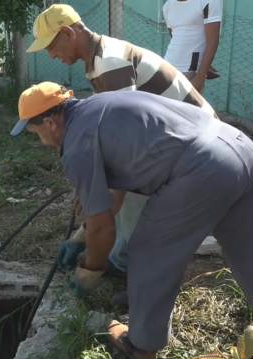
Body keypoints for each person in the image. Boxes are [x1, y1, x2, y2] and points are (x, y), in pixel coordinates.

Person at [10, 81, 253, 359]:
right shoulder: (99, 107)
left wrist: (91, 269)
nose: (40, 140)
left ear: (50, 122)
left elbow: (104, 226)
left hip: (201, 168)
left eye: (35, 132)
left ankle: (140, 346)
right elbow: (113, 194)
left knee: (149, 251)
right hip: (239, 147)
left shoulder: (75, 144)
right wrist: (81, 236)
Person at [25, 4, 221, 304]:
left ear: (67, 33)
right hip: (178, 139)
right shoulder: (99, 59)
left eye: (51, 46)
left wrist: (94, 216)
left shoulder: (110, 64)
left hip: (196, 146)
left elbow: (125, 144)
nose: (52, 55)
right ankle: (122, 259)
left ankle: (148, 286)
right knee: (119, 191)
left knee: (135, 199)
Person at [162, 0, 222, 92]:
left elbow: (213, 40)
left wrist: (201, 75)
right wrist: (204, 63)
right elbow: (175, 35)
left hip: (190, 70)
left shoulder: (208, 2)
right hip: (167, 65)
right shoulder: (168, 5)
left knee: (184, 106)